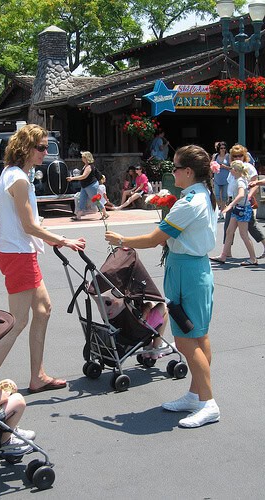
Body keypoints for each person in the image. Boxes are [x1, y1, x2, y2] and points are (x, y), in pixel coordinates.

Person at [105, 145, 220, 428]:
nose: (173, 172)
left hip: (186, 271)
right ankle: (197, 394)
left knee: (184, 339)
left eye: (175, 168)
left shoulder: (188, 202)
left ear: (189, 172)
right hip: (195, 268)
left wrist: (122, 240)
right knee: (198, 335)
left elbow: (155, 238)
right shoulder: (201, 195)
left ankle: (208, 402)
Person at [0, 124, 86, 393]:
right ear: (25, 148)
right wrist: (64, 240)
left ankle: (37, 376)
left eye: (45, 147)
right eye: (40, 147)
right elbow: (28, 225)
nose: (44, 152)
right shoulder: (17, 178)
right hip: (18, 254)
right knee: (16, 322)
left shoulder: (12, 174)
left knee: (43, 309)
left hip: (18, 252)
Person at [210, 160, 257, 266]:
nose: (230, 170)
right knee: (229, 231)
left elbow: (241, 195)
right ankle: (223, 256)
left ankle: (253, 258)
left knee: (243, 234)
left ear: (235, 171)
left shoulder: (240, 180)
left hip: (242, 209)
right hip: (238, 208)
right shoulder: (238, 178)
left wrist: (230, 205)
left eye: (231, 169)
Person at [223, 144, 265, 259]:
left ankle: (253, 257)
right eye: (235, 156)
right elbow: (231, 186)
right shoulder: (234, 167)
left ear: (244, 156)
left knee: (250, 228)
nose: (238, 158)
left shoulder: (247, 167)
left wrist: (249, 196)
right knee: (229, 228)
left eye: (240, 155)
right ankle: (226, 253)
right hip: (234, 201)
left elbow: (254, 183)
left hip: (243, 202)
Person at [66, 151, 99, 221]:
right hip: (85, 186)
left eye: (83, 157)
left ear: (86, 158)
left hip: (91, 186)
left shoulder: (89, 166)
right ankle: (78, 216)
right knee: (82, 200)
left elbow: (84, 176)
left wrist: (72, 178)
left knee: (95, 200)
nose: (82, 158)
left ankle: (104, 213)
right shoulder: (85, 166)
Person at [211, 141, 230, 219]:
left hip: (226, 179)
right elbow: (211, 165)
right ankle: (219, 209)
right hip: (217, 178)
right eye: (221, 148)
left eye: (224, 148)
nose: (223, 149)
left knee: (224, 196)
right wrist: (214, 166)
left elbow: (231, 167)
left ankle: (222, 212)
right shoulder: (215, 156)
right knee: (217, 195)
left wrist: (224, 167)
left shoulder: (228, 156)